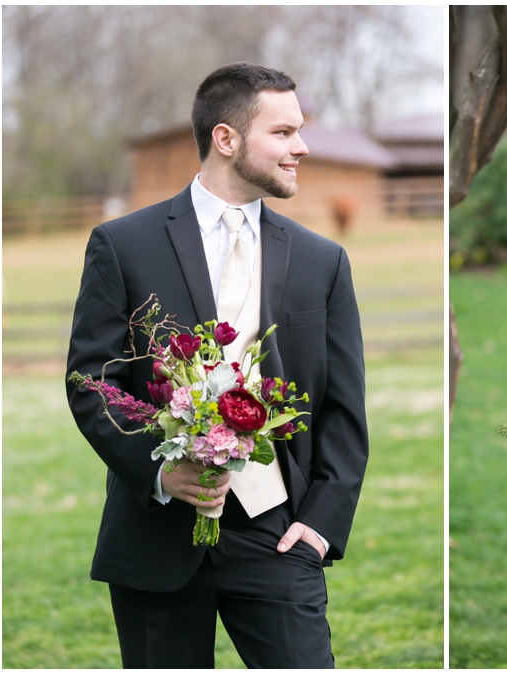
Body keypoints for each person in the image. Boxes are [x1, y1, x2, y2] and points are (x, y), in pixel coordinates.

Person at [66, 62, 369, 668]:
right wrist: (159, 476)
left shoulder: (322, 261)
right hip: (156, 535)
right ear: (226, 139)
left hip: (278, 531)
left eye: (299, 131)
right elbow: (92, 382)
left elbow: (341, 405)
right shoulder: (123, 245)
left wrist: (320, 526)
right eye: (283, 133)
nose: (301, 147)